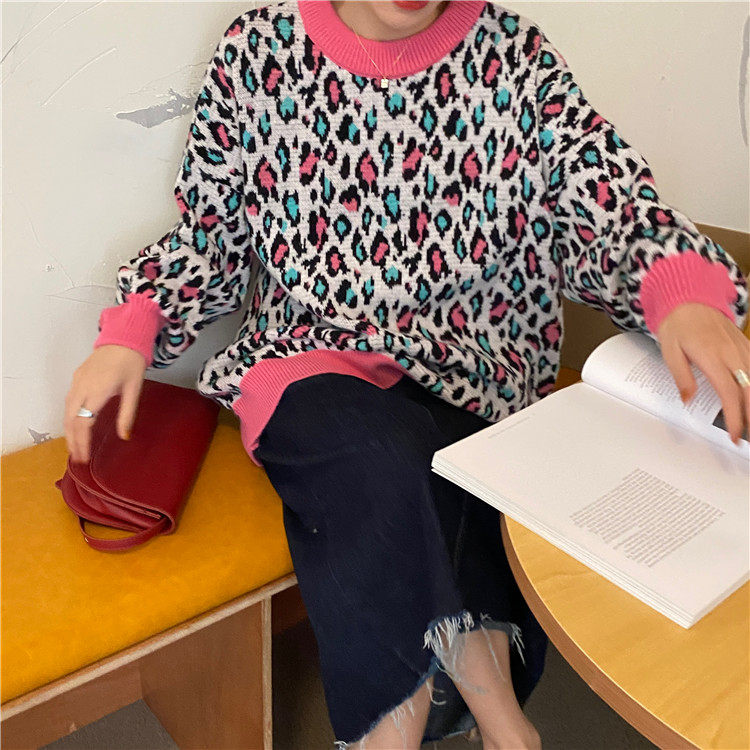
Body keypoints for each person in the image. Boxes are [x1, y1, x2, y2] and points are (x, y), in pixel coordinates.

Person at [64, 1, 750, 747]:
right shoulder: (258, 51)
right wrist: (133, 330)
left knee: (451, 469)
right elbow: (211, 235)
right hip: (308, 354)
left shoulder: (513, 57)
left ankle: (499, 721)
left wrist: (681, 292)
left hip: (476, 360)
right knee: (379, 460)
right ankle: (427, 731)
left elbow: (605, 198)